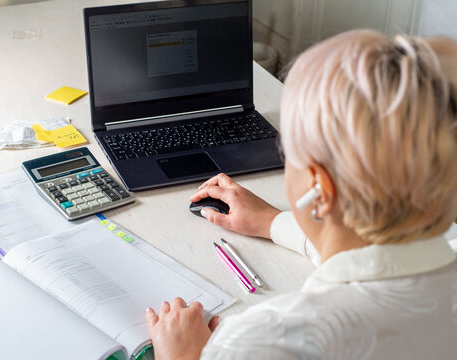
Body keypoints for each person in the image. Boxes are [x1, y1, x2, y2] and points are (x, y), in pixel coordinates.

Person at [144, 29, 457, 359]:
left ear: (318, 187)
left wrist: (184, 355)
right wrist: (271, 222)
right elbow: (376, 258)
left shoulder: (265, 342)